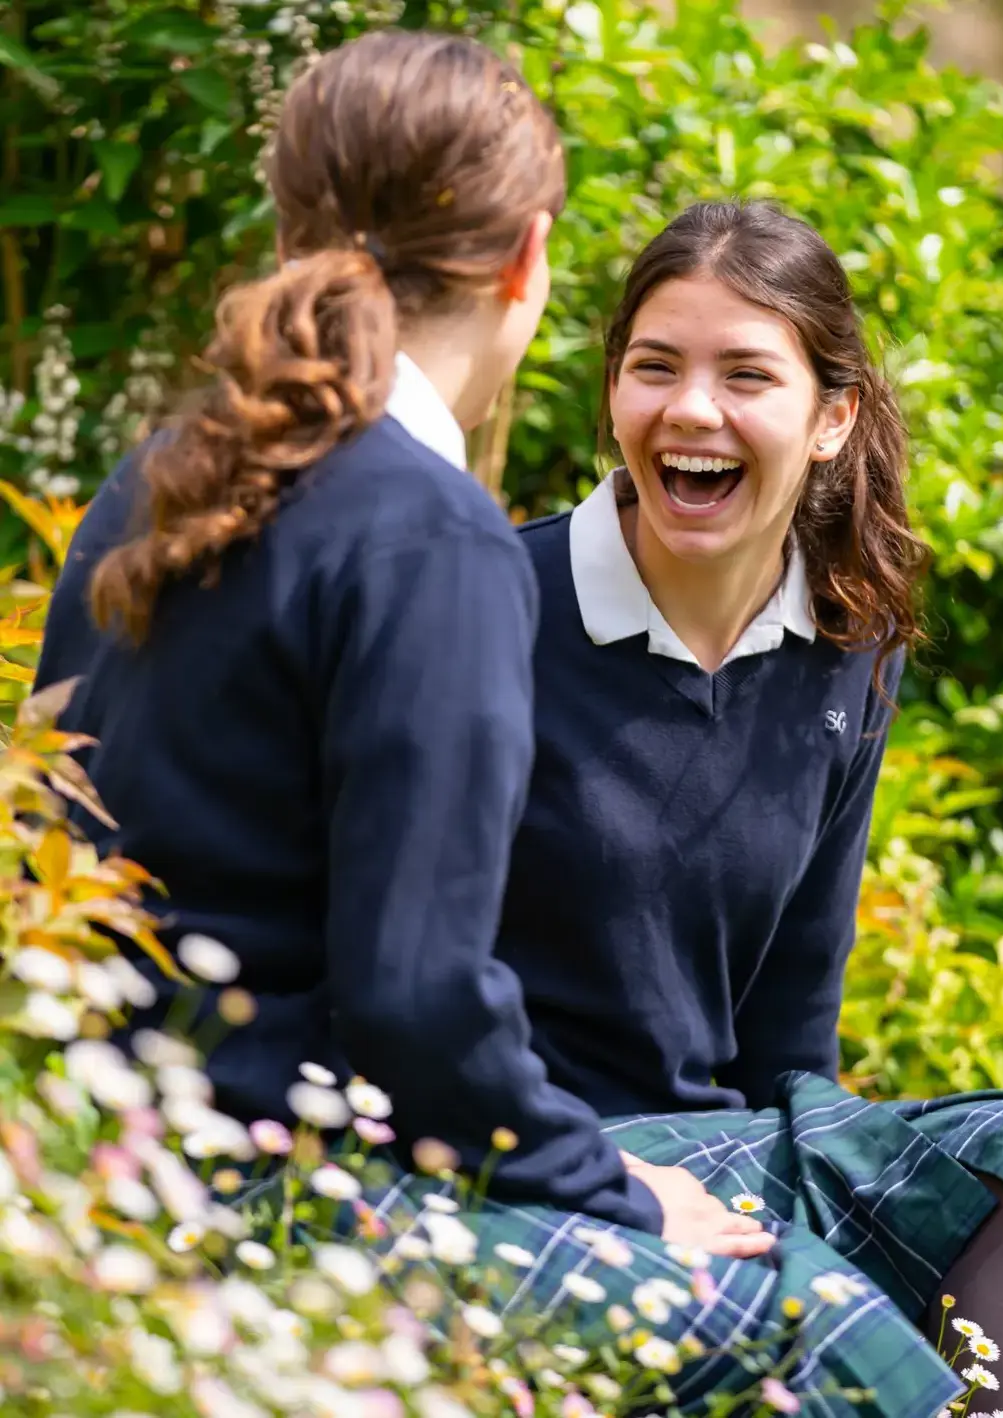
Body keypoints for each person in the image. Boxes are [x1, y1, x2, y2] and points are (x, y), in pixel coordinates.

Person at [32, 28, 724, 1243]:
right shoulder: (437, 538)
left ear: (290, 230)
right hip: (296, 1188)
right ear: (528, 257)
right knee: (846, 1350)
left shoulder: (157, 476)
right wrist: (618, 1191)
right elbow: (415, 995)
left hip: (104, 1148)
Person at [493, 198, 1003, 1406]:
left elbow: (792, 1024)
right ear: (612, 389)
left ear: (829, 417)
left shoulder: (850, 651)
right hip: (536, 1160)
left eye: (744, 374)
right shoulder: (489, 610)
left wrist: (823, 1213)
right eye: (653, 366)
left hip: (727, 1158)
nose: (689, 410)